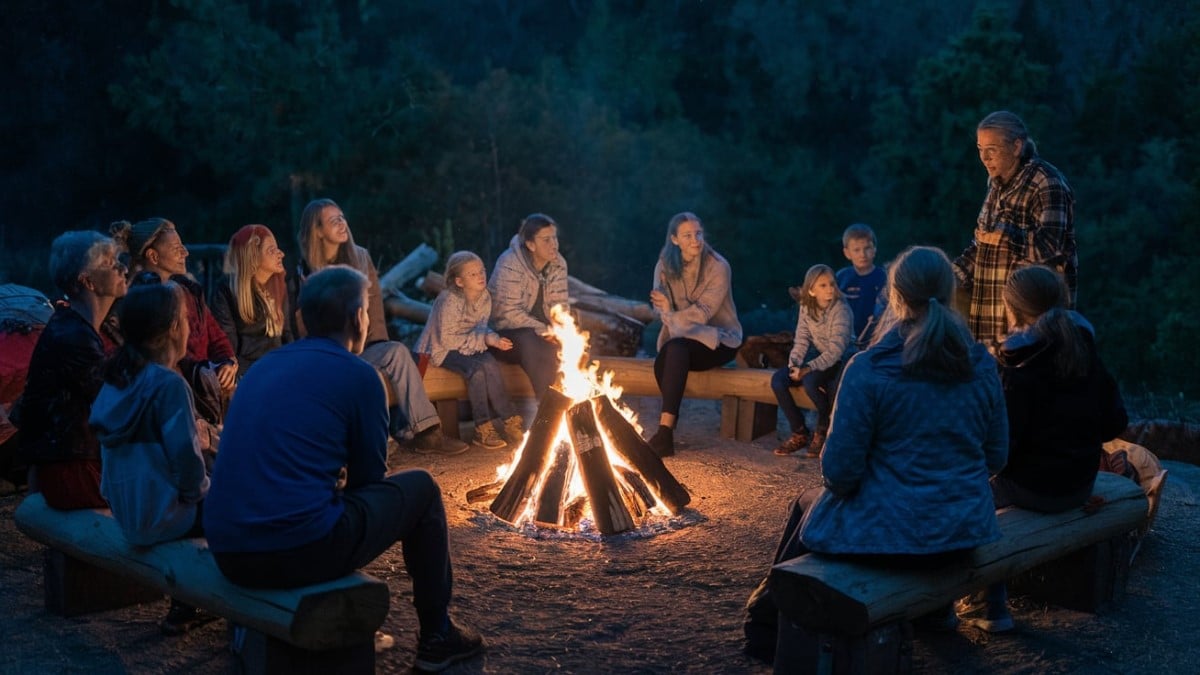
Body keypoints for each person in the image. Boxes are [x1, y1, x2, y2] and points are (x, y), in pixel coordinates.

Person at [204, 266, 484, 672]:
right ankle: (437, 636)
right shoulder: (360, 376)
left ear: (302, 320)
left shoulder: (261, 369)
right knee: (422, 489)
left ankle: (249, 626)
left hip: (227, 550)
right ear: (358, 319)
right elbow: (370, 482)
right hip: (298, 550)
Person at [743, 246, 1008, 664]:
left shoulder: (869, 369)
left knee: (809, 505)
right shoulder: (981, 365)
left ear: (895, 298)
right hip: (962, 532)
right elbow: (997, 456)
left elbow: (840, 473)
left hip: (889, 539)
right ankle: (932, 610)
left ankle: (766, 629)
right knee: (816, 506)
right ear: (949, 293)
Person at [955, 264, 1128, 633]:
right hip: (1079, 482)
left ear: (1012, 309)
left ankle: (991, 605)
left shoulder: (1018, 365)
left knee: (971, 495)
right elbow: (1116, 422)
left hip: (1037, 490)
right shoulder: (1084, 348)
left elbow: (1003, 452)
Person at [291, 198, 467, 455]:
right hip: (328, 356)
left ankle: (428, 433)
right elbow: (302, 323)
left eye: (342, 217)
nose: (343, 224)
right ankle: (374, 442)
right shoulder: (305, 271)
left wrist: (376, 343)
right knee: (362, 379)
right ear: (317, 230)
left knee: (395, 351)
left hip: (363, 348)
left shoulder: (360, 257)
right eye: (333, 220)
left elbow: (374, 308)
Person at [89, 281, 213, 635]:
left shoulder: (117, 380)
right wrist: (200, 493)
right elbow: (187, 463)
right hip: (166, 514)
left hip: (129, 513)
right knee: (239, 505)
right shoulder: (167, 385)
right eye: (187, 318)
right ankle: (232, 600)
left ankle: (185, 604)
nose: (190, 325)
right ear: (174, 328)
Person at [14, 232, 128, 509]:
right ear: (86, 280)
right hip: (74, 470)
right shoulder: (73, 337)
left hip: (77, 462)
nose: (123, 268)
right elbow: (117, 405)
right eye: (110, 263)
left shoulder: (80, 327)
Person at [953, 110, 1076, 347]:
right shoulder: (995, 185)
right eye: (980, 149)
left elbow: (1052, 248)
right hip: (989, 316)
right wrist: (946, 277)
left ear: (1017, 146)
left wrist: (1006, 238)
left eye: (992, 149)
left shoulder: (1047, 182)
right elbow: (981, 247)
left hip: (1032, 324)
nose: (984, 158)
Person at [646, 212, 743, 457]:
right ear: (674, 240)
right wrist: (666, 311)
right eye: (688, 235)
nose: (695, 240)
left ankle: (665, 434)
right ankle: (665, 435)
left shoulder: (718, 266)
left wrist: (670, 312)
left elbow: (702, 314)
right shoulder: (664, 266)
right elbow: (660, 307)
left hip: (719, 339)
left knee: (674, 352)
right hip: (679, 338)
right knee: (665, 360)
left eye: (698, 233)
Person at [110, 218, 238, 395]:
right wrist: (201, 374)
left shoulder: (191, 294)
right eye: (176, 248)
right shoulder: (139, 304)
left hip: (201, 388)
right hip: (170, 391)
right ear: (153, 256)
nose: (185, 252)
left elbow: (217, 338)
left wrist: (227, 363)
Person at [417, 251, 524, 450]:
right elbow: (446, 340)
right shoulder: (449, 299)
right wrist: (483, 339)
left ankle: (509, 420)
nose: (481, 276)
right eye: (472, 274)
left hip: (468, 346)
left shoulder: (484, 297)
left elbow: (481, 327)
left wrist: (494, 339)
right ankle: (482, 427)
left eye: (481, 271)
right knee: (476, 371)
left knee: (490, 363)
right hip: (439, 350)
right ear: (459, 281)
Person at [771, 264, 853, 458]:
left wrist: (807, 368)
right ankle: (799, 432)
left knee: (810, 382)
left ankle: (822, 429)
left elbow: (835, 350)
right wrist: (794, 365)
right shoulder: (806, 308)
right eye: (823, 285)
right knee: (778, 380)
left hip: (840, 360)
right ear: (811, 290)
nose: (830, 289)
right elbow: (802, 339)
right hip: (819, 356)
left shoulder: (841, 309)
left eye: (832, 284)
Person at [488, 213, 567, 399]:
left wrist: (562, 332)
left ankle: (573, 405)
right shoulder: (510, 262)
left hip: (541, 332)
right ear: (531, 245)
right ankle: (547, 406)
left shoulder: (559, 264)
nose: (554, 244)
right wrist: (544, 330)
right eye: (546, 239)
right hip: (501, 336)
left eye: (554, 237)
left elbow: (560, 308)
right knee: (529, 342)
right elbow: (507, 315)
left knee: (569, 346)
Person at [210, 224, 292, 378]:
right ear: (252, 257)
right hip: (247, 372)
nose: (281, 254)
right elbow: (228, 344)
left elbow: (286, 335)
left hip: (278, 367)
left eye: (277, 248)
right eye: (271, 250)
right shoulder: (227, 291)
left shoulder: (278, 286)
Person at [835, 223, 887, 348]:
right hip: (846, 341)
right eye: (856, 250)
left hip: (876, 340)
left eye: (867, 248)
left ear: (874, 250)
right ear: (847, 253)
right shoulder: (842, 278)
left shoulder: (884, 277)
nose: (863, 254)